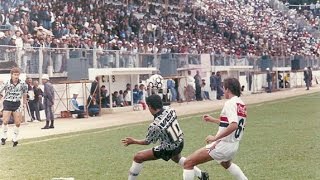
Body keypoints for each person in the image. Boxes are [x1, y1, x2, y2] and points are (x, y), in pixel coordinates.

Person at [121, 94, 209, 180]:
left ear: (150, 107)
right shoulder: (170, 109)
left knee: (138, 157)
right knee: (176, 158)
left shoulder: (155, 125)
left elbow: (147, 141)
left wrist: (133, 141)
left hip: (168, 148)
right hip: (179, 141)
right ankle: (201, 174)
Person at [182, 78, 248, 180]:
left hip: (223, 145)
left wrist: (215, 137)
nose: (222, 90)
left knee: (188, 163)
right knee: (226, 164)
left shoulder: (230, 103)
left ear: (228, 89)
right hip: (234, 145)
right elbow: (235, 124)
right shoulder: (241, 104)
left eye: (223, 87)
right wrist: (213, 120)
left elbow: (234, 125)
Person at [0, 67, 28, 147]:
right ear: (11, 75)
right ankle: (3, 137)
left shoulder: (23, 83)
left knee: (18, 122)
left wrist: (24, 102)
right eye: (14, 75)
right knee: (5, 121)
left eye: (17, 75)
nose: (16, 76)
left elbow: (25, 93)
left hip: (17, 103)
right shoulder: (6, 82)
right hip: (8, 102)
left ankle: (15, 138)